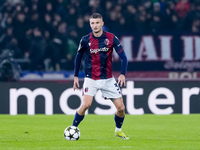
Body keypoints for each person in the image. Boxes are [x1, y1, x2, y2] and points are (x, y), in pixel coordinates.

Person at [72, 13, 129, 139]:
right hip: (91, 78)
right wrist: (75, 76)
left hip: (108, 79)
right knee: (86, 105)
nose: (95, 25)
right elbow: (78, 57)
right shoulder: (85, 40)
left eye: (97, 23)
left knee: (121, 108)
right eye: (92, 23)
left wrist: (122, 74)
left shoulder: (111, 38)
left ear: (102, 23)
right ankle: (73, 128)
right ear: (90, 24)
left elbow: (124, 58)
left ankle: (118, 130)